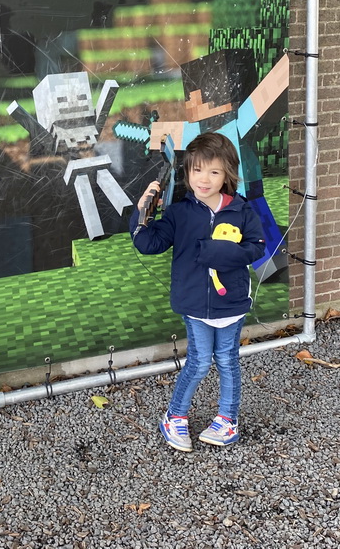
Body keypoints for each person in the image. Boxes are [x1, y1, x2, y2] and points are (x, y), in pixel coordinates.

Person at [130, 131, 265, 450]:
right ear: (187, 172)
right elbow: (148, 243)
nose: (204, 179)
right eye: (197, 170)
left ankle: (228, 419)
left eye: (214, 171)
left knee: (228, 360)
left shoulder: (241, 210)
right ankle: (175, 417)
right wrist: (141, 212)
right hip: (194, 304)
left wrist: (214, 252)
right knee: (201, 361)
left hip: (230, 304)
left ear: (227, 175)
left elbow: (256, 247)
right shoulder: (179, 212)